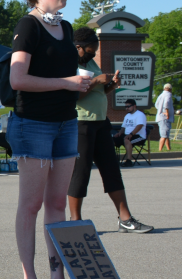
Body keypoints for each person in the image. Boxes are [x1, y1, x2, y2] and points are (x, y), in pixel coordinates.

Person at [6, 0, 92, 279]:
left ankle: (58, 275)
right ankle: (29, 278)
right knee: (31, 204)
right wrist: (66, 83)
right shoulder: (27, 26)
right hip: (33, 125)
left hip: (65, 122)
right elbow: (18, 79)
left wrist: (77, 85)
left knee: (58, 203)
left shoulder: (67, 28)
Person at [67, 28, 154, 233]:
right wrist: (97, 80)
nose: (93, 54)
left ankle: (125, 219)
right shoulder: (68, 65)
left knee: (112, 170)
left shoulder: (90, 63)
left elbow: (97, 92)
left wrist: (111, 86)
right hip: (81, 124)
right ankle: (75, 221)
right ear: (77, 47)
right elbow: (71, 97)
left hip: (100, 122)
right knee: (81, 174)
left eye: (95, 50)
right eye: (90, 50)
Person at [115, 99, 148, 167]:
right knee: (112, 139)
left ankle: (129, 161)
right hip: (127, 135)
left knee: (127, 140)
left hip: (138, 136)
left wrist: (131, 134)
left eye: (129, 106)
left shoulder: (140, 114)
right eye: (126, 107)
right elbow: (124, 127)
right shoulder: (127, 116)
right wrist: (120, 133)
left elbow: (139, 126)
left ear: (134, 106)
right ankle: (114, 160)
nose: (127, 108)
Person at [154, 83, 174, 151]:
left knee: (166, 135)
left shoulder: (161, 95)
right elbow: (166, 103)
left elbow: (156, 105)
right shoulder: (168, 94)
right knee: (164, 135)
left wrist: (160, 110)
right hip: (164, 118)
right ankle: (160, 150)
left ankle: (169, 149)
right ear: (170, 89)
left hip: (160, 117)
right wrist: (167, 113)